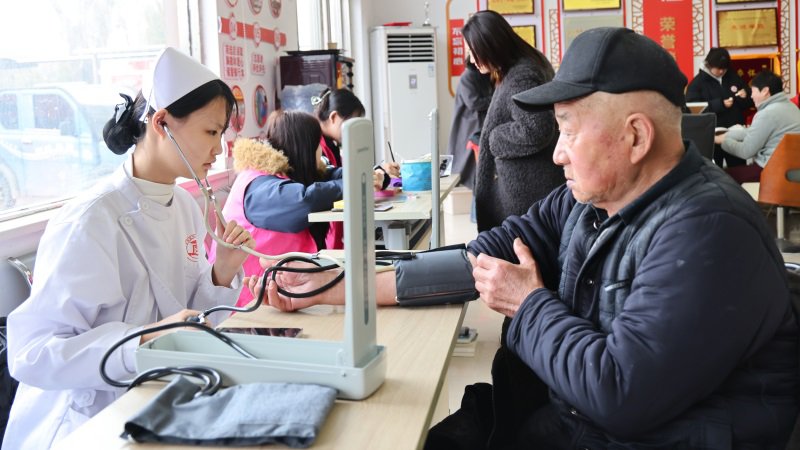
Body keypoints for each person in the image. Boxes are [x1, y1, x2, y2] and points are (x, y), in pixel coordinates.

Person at [252, 28, 799, 448]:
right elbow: (486, 255)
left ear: (636, 136)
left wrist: (528, 303)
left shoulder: (708, 231)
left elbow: (620, 393)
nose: (556, 154)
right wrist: (337, 286)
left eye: (568, 130)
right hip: (567, 420)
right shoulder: (591, 199)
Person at [3, 47, 254, 449]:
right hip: (84, 422)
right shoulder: (89, 221)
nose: (220, 149)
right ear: (162, 122)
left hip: (158, 399)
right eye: (211, 132)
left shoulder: (184, 206)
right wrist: (143, 340)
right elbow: (30, 355)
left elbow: (188, 320)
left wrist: (221, 271)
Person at [215, 109, 383, 307]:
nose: (321, 153)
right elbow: (305, 201)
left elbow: (328, 175)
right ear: (305, 148)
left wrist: (367, 174)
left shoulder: (282, 173)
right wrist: (353, 182)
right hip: (249, 301)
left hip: (280, 290)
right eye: (317, 145)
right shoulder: (258, 187)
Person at [463, 10, 563, 232]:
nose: (471, 59)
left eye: (473, 51)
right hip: (529, 192)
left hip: (527, 195)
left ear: (490, 45)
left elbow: (537, 128)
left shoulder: (521, 75)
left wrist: (494, 138)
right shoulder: (523, 66)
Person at [313, 87, 400, 248]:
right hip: (327, 237)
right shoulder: (318, 146)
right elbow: (339, 180)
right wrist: (373, 174)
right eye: (351, 122)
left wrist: (380, 173)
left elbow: (349, 172)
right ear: (334, 117)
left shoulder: (332, 145)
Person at [715, 70, 800, 184]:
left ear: (765, 91)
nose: (751, 96)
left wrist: (723, 142)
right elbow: (753, 132)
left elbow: (746, 151)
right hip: (791, 170)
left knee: (719, 176)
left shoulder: (767, 113)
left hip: (772, 171)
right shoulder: (791, 107)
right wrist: (728, 134)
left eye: (753, 91)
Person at [686, 47, 752, 168]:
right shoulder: (697, 83)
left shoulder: (733, 76)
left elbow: (748, 101)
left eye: (724, 68)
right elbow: (692, 108)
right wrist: (719, 104)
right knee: (714, 171)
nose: (722, 71)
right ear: (709, 65)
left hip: (735, 135)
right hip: (712, 136)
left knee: (738, 170)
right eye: (718, 68)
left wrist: (745, 94)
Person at [448, 54, 494, 190]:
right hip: (469, 126)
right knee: (468, 163)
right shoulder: (468, 77)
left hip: (478, 124)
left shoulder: (484, 76)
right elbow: (474, 102)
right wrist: (495, 98)